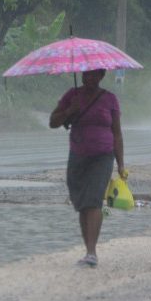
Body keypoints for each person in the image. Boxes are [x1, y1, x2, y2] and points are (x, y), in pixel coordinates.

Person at [49, 69, 125, 267]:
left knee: (93, 201)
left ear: (101, 76)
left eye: (94, 75)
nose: (89, 79)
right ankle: (88, 249)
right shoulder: (71, 96)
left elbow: (117, 133)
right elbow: (53, 122)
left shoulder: (110, 99)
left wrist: (121, 163)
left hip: (103, 157)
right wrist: (69, 111)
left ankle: (92, 252)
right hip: (78, 156)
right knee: (81, 204)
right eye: (86, 75)